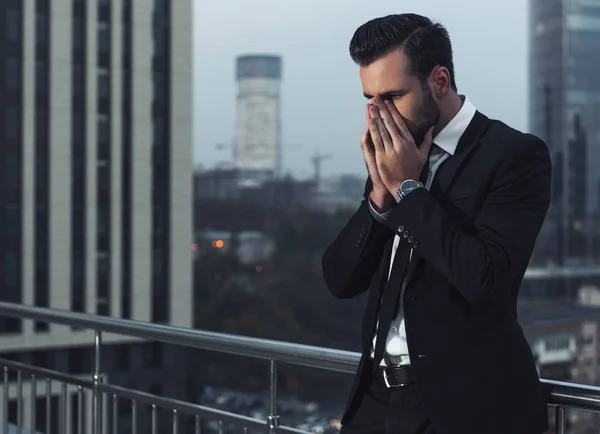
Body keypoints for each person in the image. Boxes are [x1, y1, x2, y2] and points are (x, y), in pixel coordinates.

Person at [321, 13, 551, 434]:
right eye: (370, 99)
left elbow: (485, 279)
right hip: (374, 402)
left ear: (439, 82)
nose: (379, 115)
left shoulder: (513, 156)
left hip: (464, 411)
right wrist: (380, 195)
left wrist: (409, 189)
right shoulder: (392, 158)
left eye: (392, 95)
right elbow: (339, 279)